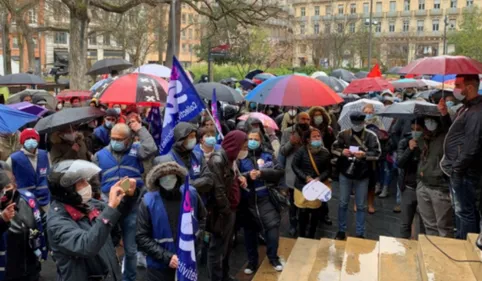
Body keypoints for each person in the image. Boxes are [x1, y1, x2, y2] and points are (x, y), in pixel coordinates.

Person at [46, 160, 133, 281]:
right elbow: (86, 246)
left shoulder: (87, 204)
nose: (87, 185)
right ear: (67, 190)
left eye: (86, 180)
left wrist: (128, 196)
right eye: (81, 182)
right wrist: (111, 207)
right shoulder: (57, 222)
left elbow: (115, 215)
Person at [93, 122, 158, 281]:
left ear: (128, 139)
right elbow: (94, 182)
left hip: (132, 206)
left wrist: (140, 129)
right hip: (109, 207)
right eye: (113, 138)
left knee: (130, 250)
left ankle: (129, 278)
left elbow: (151, 148)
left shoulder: (136, 151)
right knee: (105, 247)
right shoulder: (99, 155)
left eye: (120, 139)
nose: (116, 141)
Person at [136, 162, 206, 281]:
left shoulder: (191, 194)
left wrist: (196, 239)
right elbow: (141, 237)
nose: (168, 179)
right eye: (163, 176)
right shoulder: (148, 202)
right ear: (157, 180)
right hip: (159, 267)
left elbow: (202, 217)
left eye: (171, 175)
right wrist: (167, 257)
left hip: (188, 261)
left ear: (178, 176)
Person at [438, 74, 482, 239]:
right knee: (461, 211)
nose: (455, 89)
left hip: (465, 171)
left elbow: (472, 144)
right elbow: (454, 133)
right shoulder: (465, 108)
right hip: (459, 169)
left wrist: (457, 168)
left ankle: (465, 246)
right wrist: (444, 114)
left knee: (464, 212)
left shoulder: (477, 111)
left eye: (458, 85)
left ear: (469, 87)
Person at [238, 129, 284, 275]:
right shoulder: (240, 157)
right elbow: (235, 176)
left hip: (266, 199)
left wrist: (261, 173)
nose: (252, 141)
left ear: (260, 140)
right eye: (249, 138)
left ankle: (273, 258)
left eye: (255, 139)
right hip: (248, 201)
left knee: (272, 231)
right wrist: (247, 175)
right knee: (250, 234)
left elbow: (278, 172)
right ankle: (252, 262)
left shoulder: (268, 155)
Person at [332, 112, 381, 240]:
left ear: (363, 123)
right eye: (355, 123)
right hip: (346, 172)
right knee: (343, 202)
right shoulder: (344, 134)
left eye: (359, 123)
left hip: (363, 174)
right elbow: (334, 148)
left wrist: (364, 155)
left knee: (360, 205)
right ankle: (341, 230)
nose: (357, 126)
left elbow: (377, 153)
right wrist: (342, 152)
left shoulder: (371, 136)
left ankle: (360, 232)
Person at [207, 130, 248, 281]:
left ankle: (225, 275)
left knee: (227, 246)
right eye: (243, 146)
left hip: (231, 209)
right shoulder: (218, 161)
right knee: (216, 248)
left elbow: (231, 180)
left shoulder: (231, 159)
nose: (245, 150)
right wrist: (226, 211)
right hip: (221, 212)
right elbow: (219, 191)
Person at [0, 167, 47, 281]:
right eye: (0, 189)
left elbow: (42, 221)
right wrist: (2, 220)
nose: (4, 193)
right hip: (7, 272)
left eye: (8, 187)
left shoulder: (28, 199)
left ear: (15, 186)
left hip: (31, 267)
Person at [416, 117, 454, 238]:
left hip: (440, 187)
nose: (429, 123)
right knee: (429, 225)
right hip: (423, 184)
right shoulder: (423, 137)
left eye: (431, 120)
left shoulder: (445, 137)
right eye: (426, 120)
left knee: (444, 227)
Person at [292, 128, 331, 238]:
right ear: (308, 139)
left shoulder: (325, 152)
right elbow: (295, 166)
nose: (317, 138)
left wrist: (319, 179)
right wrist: (306, 178)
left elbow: (328, 170)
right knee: (303, 212)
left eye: (318, 136)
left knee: (315, 212)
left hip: (317, 187)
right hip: (302, 186)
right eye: (314, 136)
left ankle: (312, 235)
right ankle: (302, 235)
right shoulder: (301, 151)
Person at [154, 122, 212, 194]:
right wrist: (197, 183)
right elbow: (174, 188)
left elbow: (209, 180)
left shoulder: (198, 156)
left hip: (198, 202)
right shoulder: (168, 160)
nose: (193, 139)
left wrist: (188, 184)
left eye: (194, 136)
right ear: (181, 139)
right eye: (190, 137)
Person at [279, 112, 312, 236]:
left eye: (308, 119)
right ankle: (293, 224)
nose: (306, 121)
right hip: (293, 173)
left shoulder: (314, 132)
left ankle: (304, 224)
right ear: (297, 120)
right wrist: (291, 143)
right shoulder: (288, 132)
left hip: (308, 173)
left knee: (307, 200)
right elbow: (282, 152)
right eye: (303, 119)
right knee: (293, 201)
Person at [7, 129, 50, 211]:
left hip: (45, 200)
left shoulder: (45, 154)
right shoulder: (14, 158)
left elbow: (50, 174)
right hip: (26, 201)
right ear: (23, 141)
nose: (31, 140)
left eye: (33, 138)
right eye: (27, 138)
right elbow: (5, 176)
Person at [396, 118, 424, 239]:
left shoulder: (427, 143)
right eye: (413, 129)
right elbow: (400, 163)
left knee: (423, 225)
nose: (415, 132)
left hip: (423, 187)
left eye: (418, 130)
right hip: (409, 187)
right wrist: (410, 149)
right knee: (405, 223)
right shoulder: (404, 142)